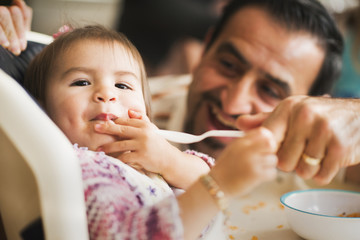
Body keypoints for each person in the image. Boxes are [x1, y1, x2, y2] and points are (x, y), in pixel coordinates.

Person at [3, 0, 358, 186]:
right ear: (205, 48)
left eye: (269, 90)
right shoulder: (125, 107)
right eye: (229, 65)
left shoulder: (316, 152)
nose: (232, 102)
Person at [24, 25, 278, 239]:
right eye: (81, 82)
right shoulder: (83, 171)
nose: (107, 94)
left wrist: (171, 160)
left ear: (146, 110)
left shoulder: (149, 155)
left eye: (122, 85)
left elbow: (201, 174)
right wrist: (218, 186)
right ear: (41, 109)